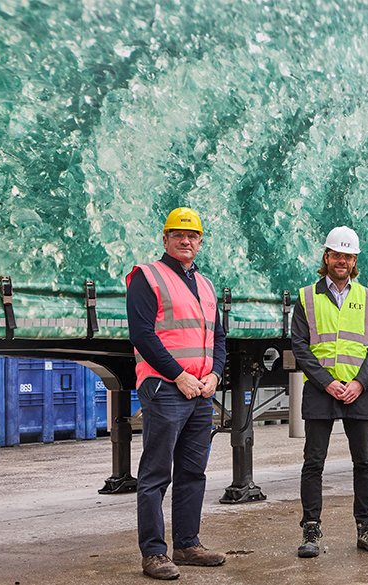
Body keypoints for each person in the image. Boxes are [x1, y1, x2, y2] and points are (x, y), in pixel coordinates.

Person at [126, 207, 227, 580]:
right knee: (155, 474)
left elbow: (218, 337)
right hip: (166, 388)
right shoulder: (147, 277)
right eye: (178, 235)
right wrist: (179, 375)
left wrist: (215, 374)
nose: (186, 241)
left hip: (200, 390)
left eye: (193, 236)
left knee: (192, 472)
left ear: (200, 241)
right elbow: (142, 335)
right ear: (165, 238)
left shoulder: (207, 284)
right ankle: (154, 553)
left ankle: (187, 544)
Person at [291, 226, 368, 557]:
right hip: (322, 390)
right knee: (313, 462)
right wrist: (327, 382)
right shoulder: (306, 297)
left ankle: (366, 528)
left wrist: (360, 383)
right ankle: (311, 531)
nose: (342, 261)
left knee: (364, 463)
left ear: (354, 259)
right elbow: (300, 348)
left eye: (348, 256)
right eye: (337, 255)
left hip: (358, 391)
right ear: (326, 256)